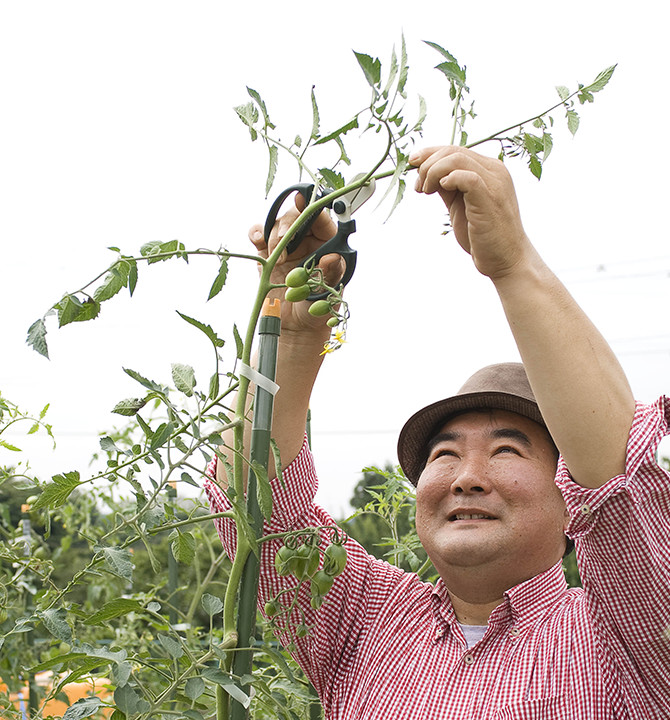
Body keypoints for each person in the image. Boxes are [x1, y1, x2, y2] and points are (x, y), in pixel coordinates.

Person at [205, 146, 670, 718]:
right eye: (445, 454)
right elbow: (257, 511)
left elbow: (619, 481)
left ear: (570, 493)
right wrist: (294, 335)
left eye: (506, 450)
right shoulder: (366, 621)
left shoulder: (628, 640)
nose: (467, 478)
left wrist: (512, 262)